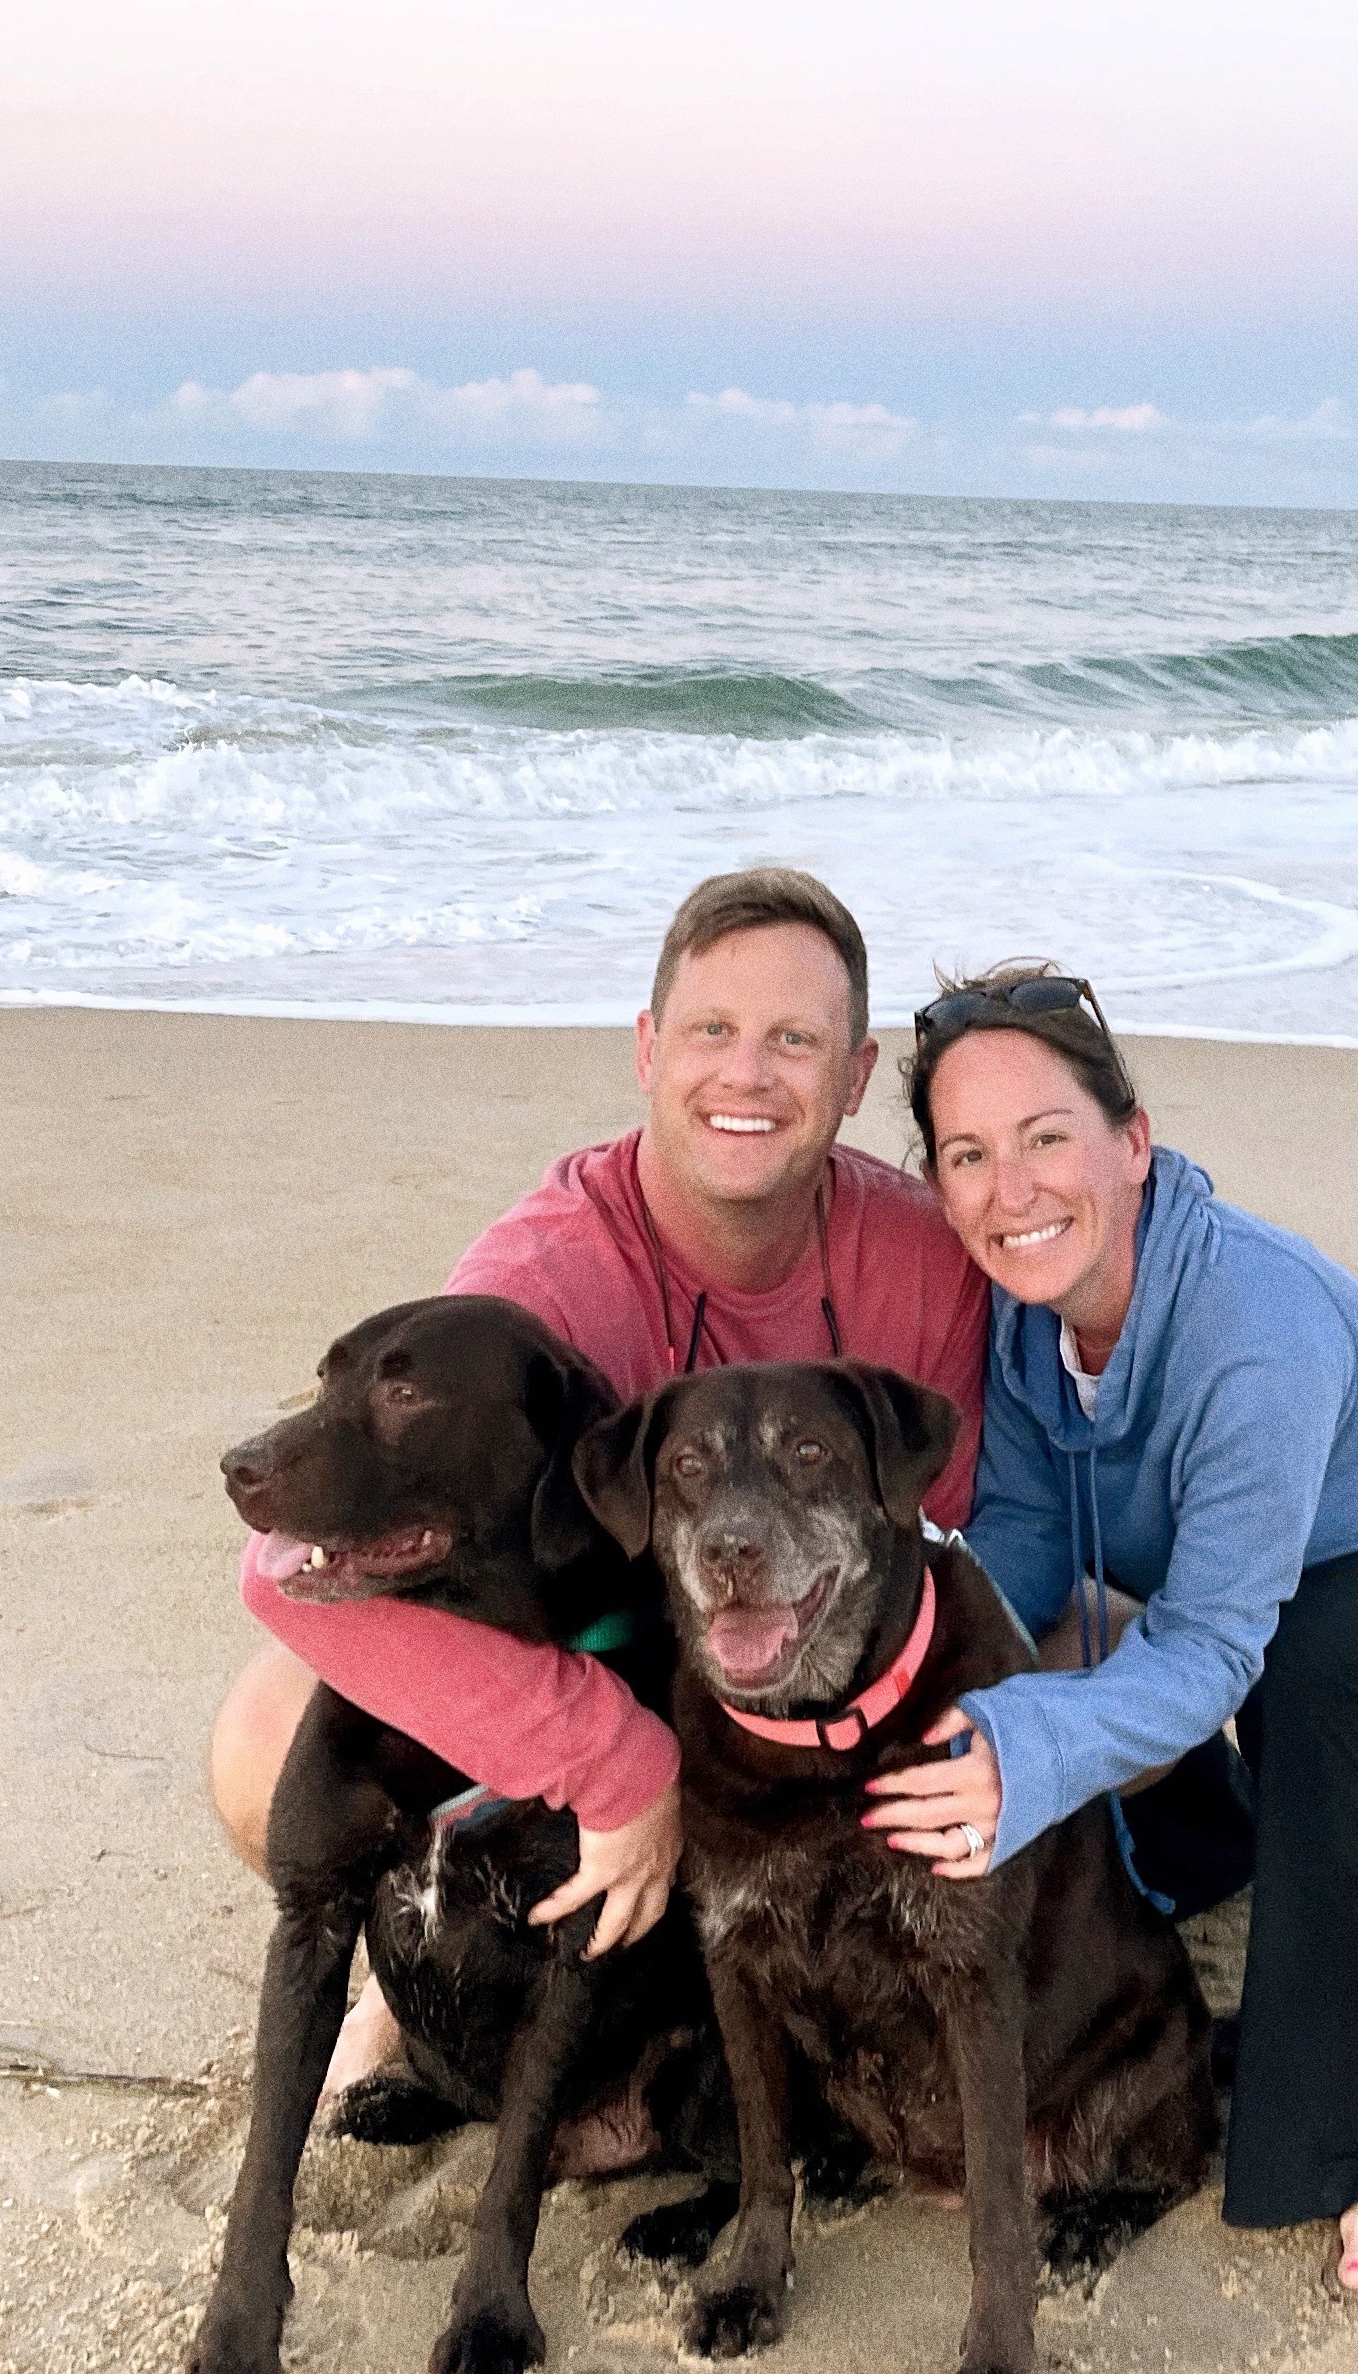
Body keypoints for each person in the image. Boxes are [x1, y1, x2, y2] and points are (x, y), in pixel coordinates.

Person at [864, 968, 1358, 2299]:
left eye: (1048, 1137)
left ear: (1133, 1140)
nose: (1014, 1189)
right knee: (1077, 1642)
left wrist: (1022, 1738)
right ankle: (1213, 1838)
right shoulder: (1023, 1308)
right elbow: (1024, 1550)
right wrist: (916, 1681)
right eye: (968, 1156)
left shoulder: (1251, 1323)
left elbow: (1211, 1654)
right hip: (1331, 1569)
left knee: (1314, 1665)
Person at [207, 868, 987, 2088]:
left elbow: (974, 1530)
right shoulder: (547, 1277)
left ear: (853, 1075)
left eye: (794, 1040)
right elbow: (277, 1567)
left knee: (1096, 1633)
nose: (747, 1074)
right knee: (266, 1730)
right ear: (646, 1049)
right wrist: (620, 1765)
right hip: (609, 1665)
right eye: (711, 1032)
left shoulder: (922, 1262)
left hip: (820, 1684)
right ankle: (410, 1975)